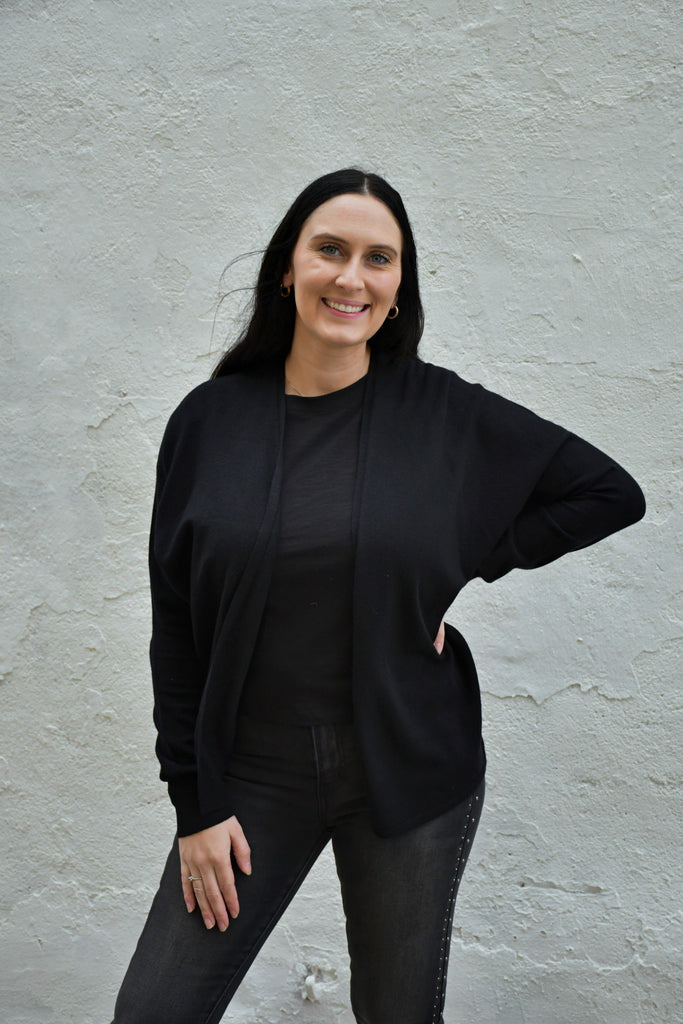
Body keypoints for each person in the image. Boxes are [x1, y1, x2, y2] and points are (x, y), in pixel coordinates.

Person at [111, 168, 645, 1024]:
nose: (350, 277)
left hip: (406, 764)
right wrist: (195, 805)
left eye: (377, 258)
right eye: (329, 249)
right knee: (154, 1011)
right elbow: (174, 623)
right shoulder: (209, 421)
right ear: (287, 268)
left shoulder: (442, 412)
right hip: (252, 775)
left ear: (398, 287)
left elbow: (608, 492)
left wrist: (451, 569)